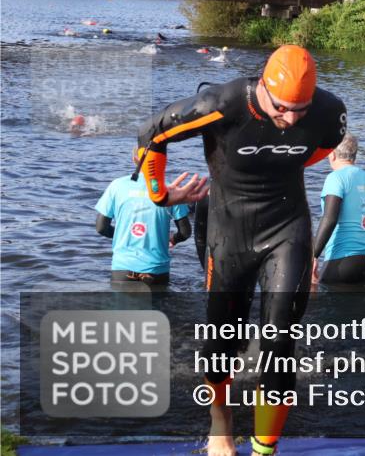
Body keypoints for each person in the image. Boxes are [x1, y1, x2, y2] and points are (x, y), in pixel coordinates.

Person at [135, 45, 347, 456]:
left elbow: (322, 146)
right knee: (220, 341)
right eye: (283, 108)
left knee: (281, 339)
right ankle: (221, 423)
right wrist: (160, 195)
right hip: (228, 231)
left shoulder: (328, 111)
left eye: (300, 110)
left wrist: (280, 160)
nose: (291, 119)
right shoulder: (223, 103)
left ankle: (265, 449)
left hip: (287, 226)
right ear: (264, 87)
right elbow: (151, 133)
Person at [95, 147, 193, 286]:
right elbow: (185, 232)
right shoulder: (169, 188)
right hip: (157, 271)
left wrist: (122, 235)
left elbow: (101, 228)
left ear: (134, 159)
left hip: (122, 270)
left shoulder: (116, 186)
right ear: (160, 160)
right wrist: (173, 240)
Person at [311, 133, 365, 286]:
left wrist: (313, 256)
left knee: (315, 292)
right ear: (354, 156)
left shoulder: (335, 178)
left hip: (341, 261)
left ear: (331, 154)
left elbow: (330, 219)